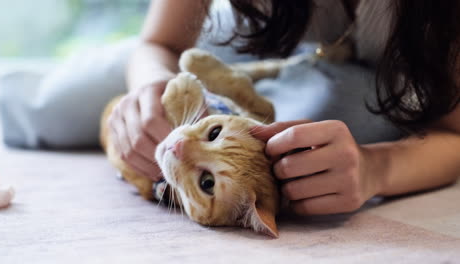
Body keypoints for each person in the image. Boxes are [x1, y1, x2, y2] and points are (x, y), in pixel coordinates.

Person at [108, 0, 460, 215]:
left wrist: (375, 168)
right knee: (59, 111)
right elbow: (159, 43)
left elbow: (454, 135)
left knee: (344, 111)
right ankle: (260, 88)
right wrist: (149, 86)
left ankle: (267, 91)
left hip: (400, 67)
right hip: (258, 30)